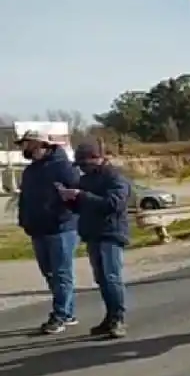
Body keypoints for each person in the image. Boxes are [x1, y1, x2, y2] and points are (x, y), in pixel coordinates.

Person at [57, 143, 130, 338]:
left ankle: (118, 318)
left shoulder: (114, 177)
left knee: (111, 276)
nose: (81, 168)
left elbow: (114, 204)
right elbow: (82, 207)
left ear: (96, 158)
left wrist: (82, 195)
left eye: (84, 163)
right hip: (92, 233)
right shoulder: (86, 180)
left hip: (111, 232)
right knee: (102, 279)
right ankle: (110, 317)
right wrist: (69, 199)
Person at [16, 130, 80, 334]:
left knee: (62, 273)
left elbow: (77, 193)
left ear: (40, 144)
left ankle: (59, 315)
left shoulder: (63, 167)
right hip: (38, 229)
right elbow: (25, 199)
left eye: (27, 144)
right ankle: (68, 312)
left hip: (61, 229)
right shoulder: (30, 171)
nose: (24, 149)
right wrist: (24, 220)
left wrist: (62, 214)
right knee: (50, 273)